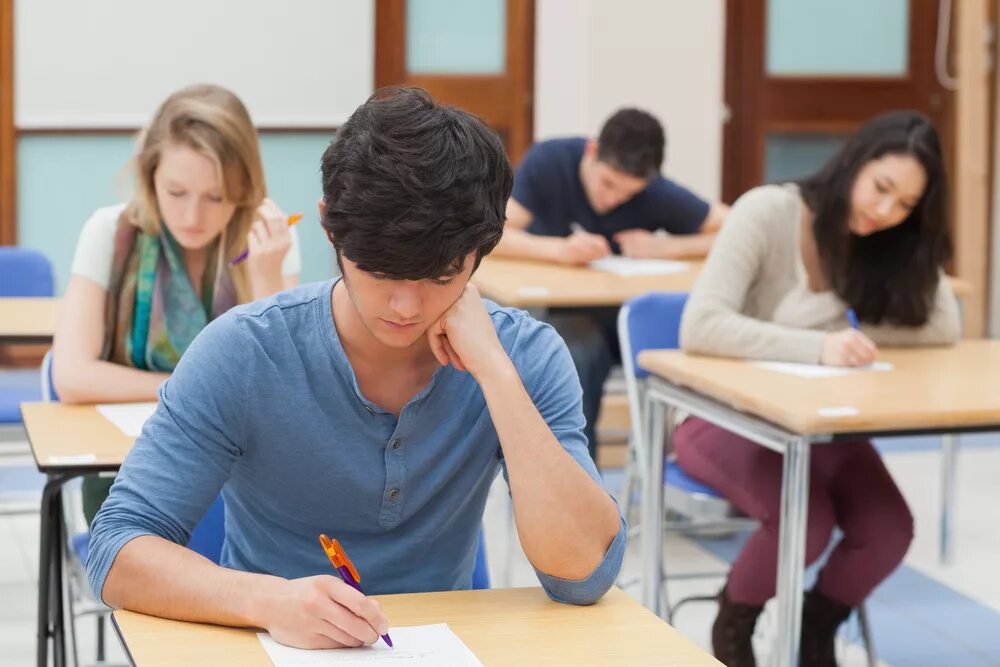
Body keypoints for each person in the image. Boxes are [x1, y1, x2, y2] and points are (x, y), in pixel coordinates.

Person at [86, 87, 625, 650]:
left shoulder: (524, 355)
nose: (406, 307)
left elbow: (583, 576)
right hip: (272, 648)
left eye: (442, 277)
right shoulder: (243, 350)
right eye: (380, 272)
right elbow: (117, 547)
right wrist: (266, 600)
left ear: (482, 251)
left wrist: (495, 373)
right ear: (329, 229)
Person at [677, 110, 960, 667]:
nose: (884, 212)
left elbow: (944, 324)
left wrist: (854, 328)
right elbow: (700, 325)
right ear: (856, 161)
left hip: (820, 423)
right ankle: (734, 622)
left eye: (905, 206)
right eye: (881, 189)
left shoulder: (884, 242)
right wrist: (819, 344)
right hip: (725, 417)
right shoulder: (768, 211)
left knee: (888, 530)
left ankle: (815, 627)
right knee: (805, 522)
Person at [52, 84, 301, 524]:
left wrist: (266, 278)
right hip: (130, 467)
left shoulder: (270, 239)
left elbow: (284, 393)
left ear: (245, 188)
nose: (191, 217)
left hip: (246, 476)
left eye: (216, 197)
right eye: (176, 192)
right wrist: (195, 392)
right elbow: (72, 376)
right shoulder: (110, 233)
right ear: (150, 176)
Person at [491, 108, 728, 460]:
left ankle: (681, 465)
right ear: (591, 152)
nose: (614, 198)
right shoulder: (551, 163)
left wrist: (666, 247)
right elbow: (494, 233)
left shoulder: (652, 191)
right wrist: (559, 250)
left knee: (700, 341)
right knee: (574, 350)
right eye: (607, 184)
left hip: (624, 320)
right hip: (560, 316)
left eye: (628, 193)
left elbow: (735, 227)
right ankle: (577, 472)